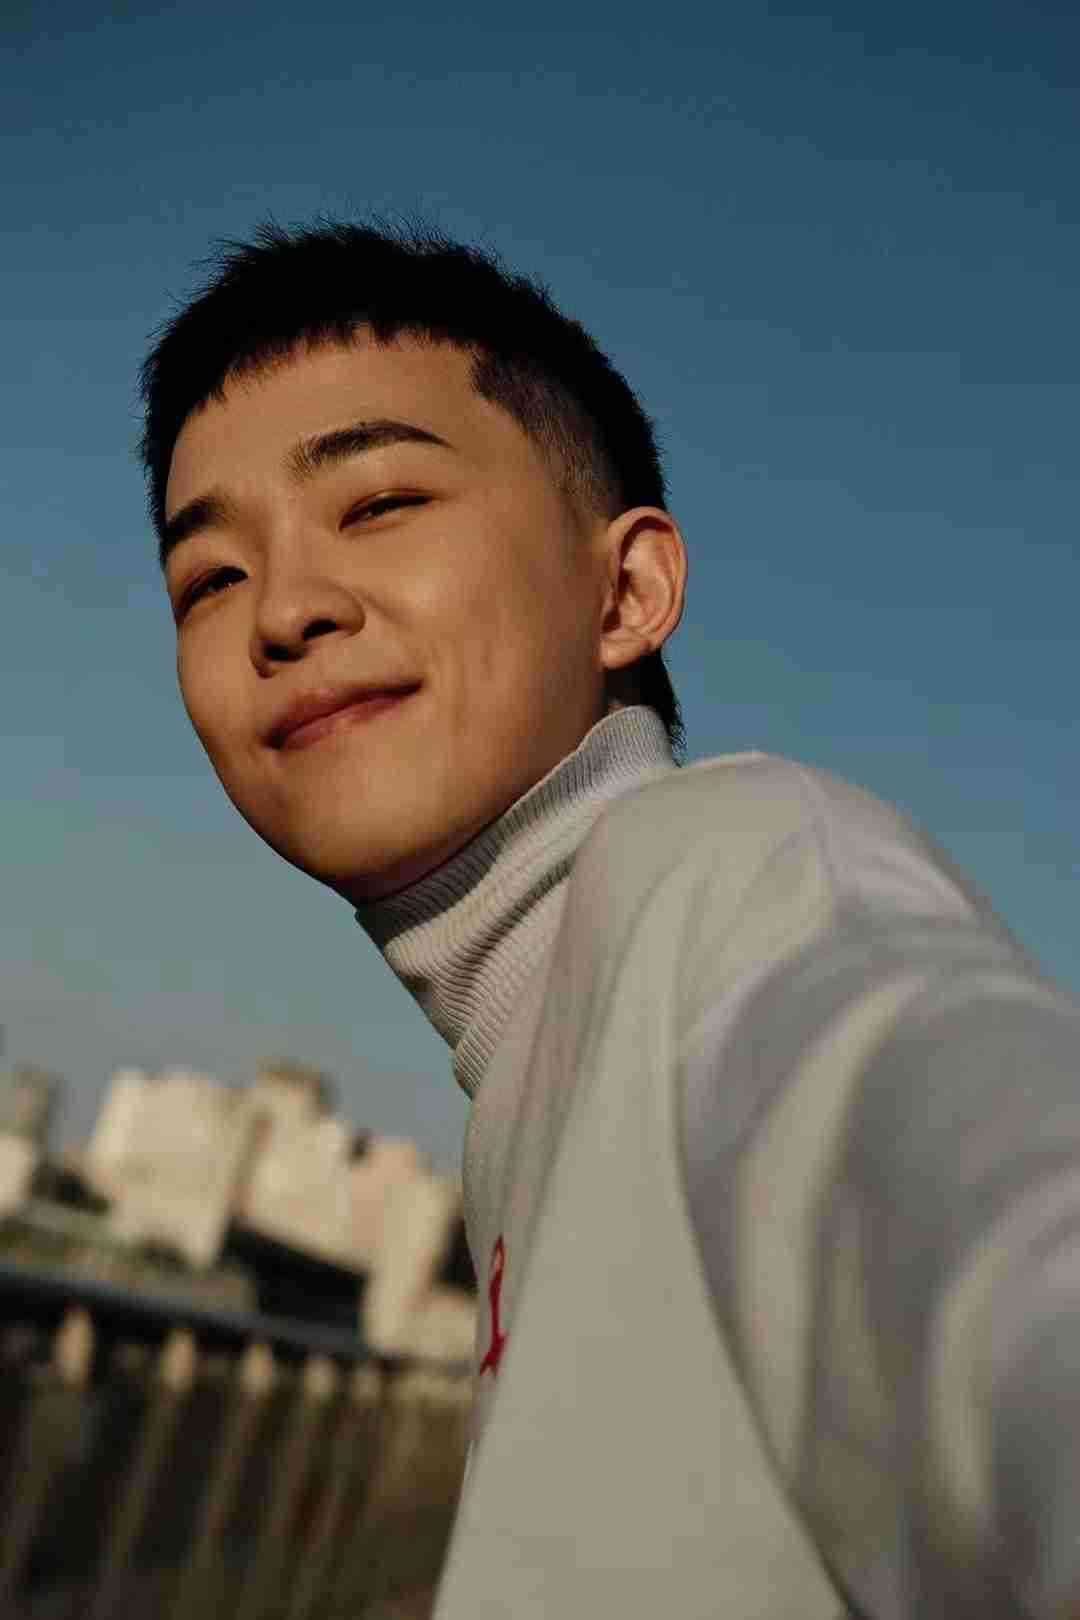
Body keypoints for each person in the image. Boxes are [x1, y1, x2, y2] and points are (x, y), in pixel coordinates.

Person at [139, 221, 1079, 1619]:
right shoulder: (536, 1069)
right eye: (209, 579)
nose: (283, 610)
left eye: (379, 503)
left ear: (628, 591)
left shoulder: (730, 877)